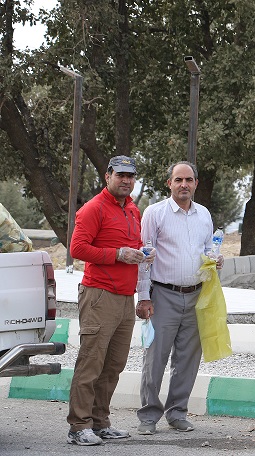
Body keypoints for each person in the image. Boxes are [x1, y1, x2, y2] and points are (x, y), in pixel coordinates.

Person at [67, 155, 152, 446]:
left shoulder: (132, 209)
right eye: (121, 175)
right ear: (108, 176)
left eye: (131, 176)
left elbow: (132, 247)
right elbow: (77, 248)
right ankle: (79, 425)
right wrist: (116, 254)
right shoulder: (93, 208)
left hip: (124, 298)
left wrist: (142, 252)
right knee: (91, 362)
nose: (126, 180)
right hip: (98, 295)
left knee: (113, 365)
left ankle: (100, 422)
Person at [135, 161, 223, 435]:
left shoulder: (204, 215)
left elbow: (208, 249)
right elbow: (144, 258)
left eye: (189, 180)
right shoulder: (154, 213)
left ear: (196, 183)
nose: (184, 184)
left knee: (187, 359)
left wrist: (215, 260)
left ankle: (177, 413)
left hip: (196, 296)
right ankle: (148, 417)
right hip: (163, 295)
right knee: (155, 358)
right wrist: (143, 297)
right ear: (169, 183)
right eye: (178, 180)